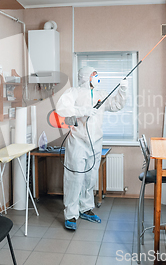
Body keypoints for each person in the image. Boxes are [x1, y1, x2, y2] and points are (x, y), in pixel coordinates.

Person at [56, 66, 128, 230]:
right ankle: (71, 215)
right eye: (95, 75)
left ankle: (86, 209)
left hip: (96, 142)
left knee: (90, 177)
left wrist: (123, 90)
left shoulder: (100, 94)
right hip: (78, 141)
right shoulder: (73, 92)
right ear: (86, 76)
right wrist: (83, 110)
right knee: (75, 178)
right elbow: (62, 108)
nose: (97, 77)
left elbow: (116, 105)